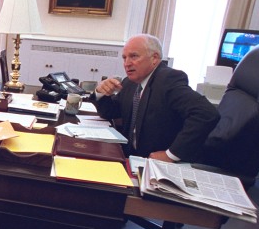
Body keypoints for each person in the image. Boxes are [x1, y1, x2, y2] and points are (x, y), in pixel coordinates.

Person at [92, 34, 219, 162]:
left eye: (134, 56)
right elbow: (111, 112)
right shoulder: (130, 82)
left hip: (157, 163)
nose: (127, 63)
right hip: (130, 156)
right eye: (124, 58)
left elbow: (206, 113)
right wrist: (100, 92)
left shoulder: (168, 79)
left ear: (154, 58)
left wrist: (171, 155)